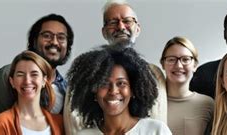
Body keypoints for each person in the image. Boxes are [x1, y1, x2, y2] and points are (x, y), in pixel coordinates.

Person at [63, 1, 167, 134]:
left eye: (127, 20)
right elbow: (74, 123)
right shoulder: (85, 76)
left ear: (138, 28)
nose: (121, 26)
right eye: (113, 22)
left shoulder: (154, 74)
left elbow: (159, 116)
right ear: (104, 32)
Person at [69, 45, 171, 135]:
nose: (113, 91)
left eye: (121, 83)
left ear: (133, 90)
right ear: (93, 92)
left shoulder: (156, 131)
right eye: (104, 83)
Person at [0, 13, 74, 116]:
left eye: (61, 37)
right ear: (34, 41)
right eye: (47, 36)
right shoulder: (6, 75)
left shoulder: (67, 90)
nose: (55, 42)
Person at [0, 51, 63, 135]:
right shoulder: (0, 123)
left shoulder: (59, 123)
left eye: (34, 74)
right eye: (20, 75)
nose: (27, 81)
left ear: (44, 80)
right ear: (12, 81)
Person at [160, 36, 214, 135]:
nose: (179, 65)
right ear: (163, 64)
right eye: (171, 59)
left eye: (185, 59)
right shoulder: (152, 103)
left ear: (195, 65)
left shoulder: (207, 104)